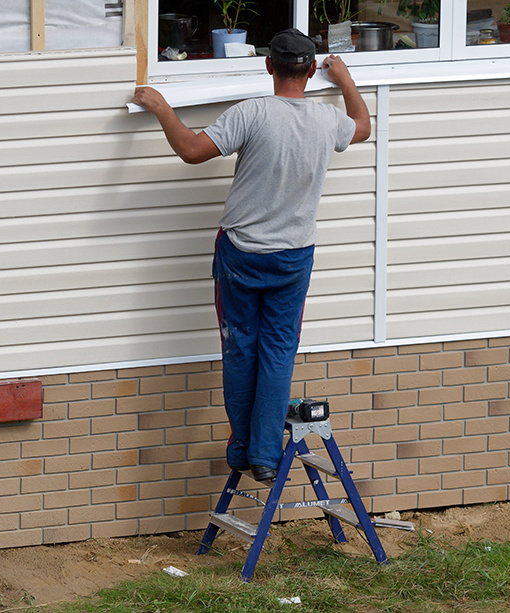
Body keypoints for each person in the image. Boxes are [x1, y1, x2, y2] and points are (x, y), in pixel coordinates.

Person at [132, 29, 370, 483]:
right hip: (293, 257)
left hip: (241, 254)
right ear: (308, 70)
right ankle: (264, 455)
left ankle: (241, 449)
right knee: (278, 353)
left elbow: (190, 151)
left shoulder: (253, 113)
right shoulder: (325, 121)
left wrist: (162, 106)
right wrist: (345, 79)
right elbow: (362, 126)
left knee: (240, 347)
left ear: (269, 66)